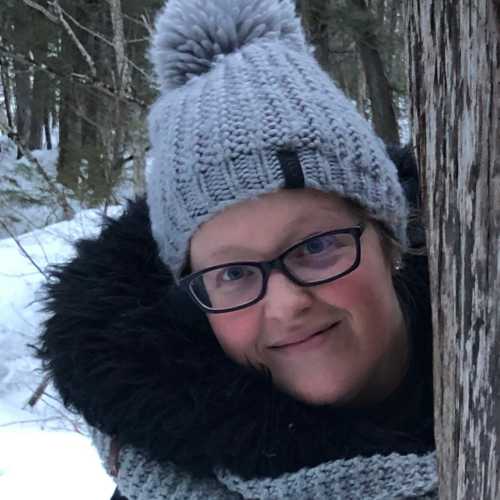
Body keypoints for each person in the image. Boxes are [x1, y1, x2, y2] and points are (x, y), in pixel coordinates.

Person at [38, 0, 438, 498]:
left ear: (390, 239)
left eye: (316, 246)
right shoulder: (166, 481)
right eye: (232, 273)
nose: (286, 305)